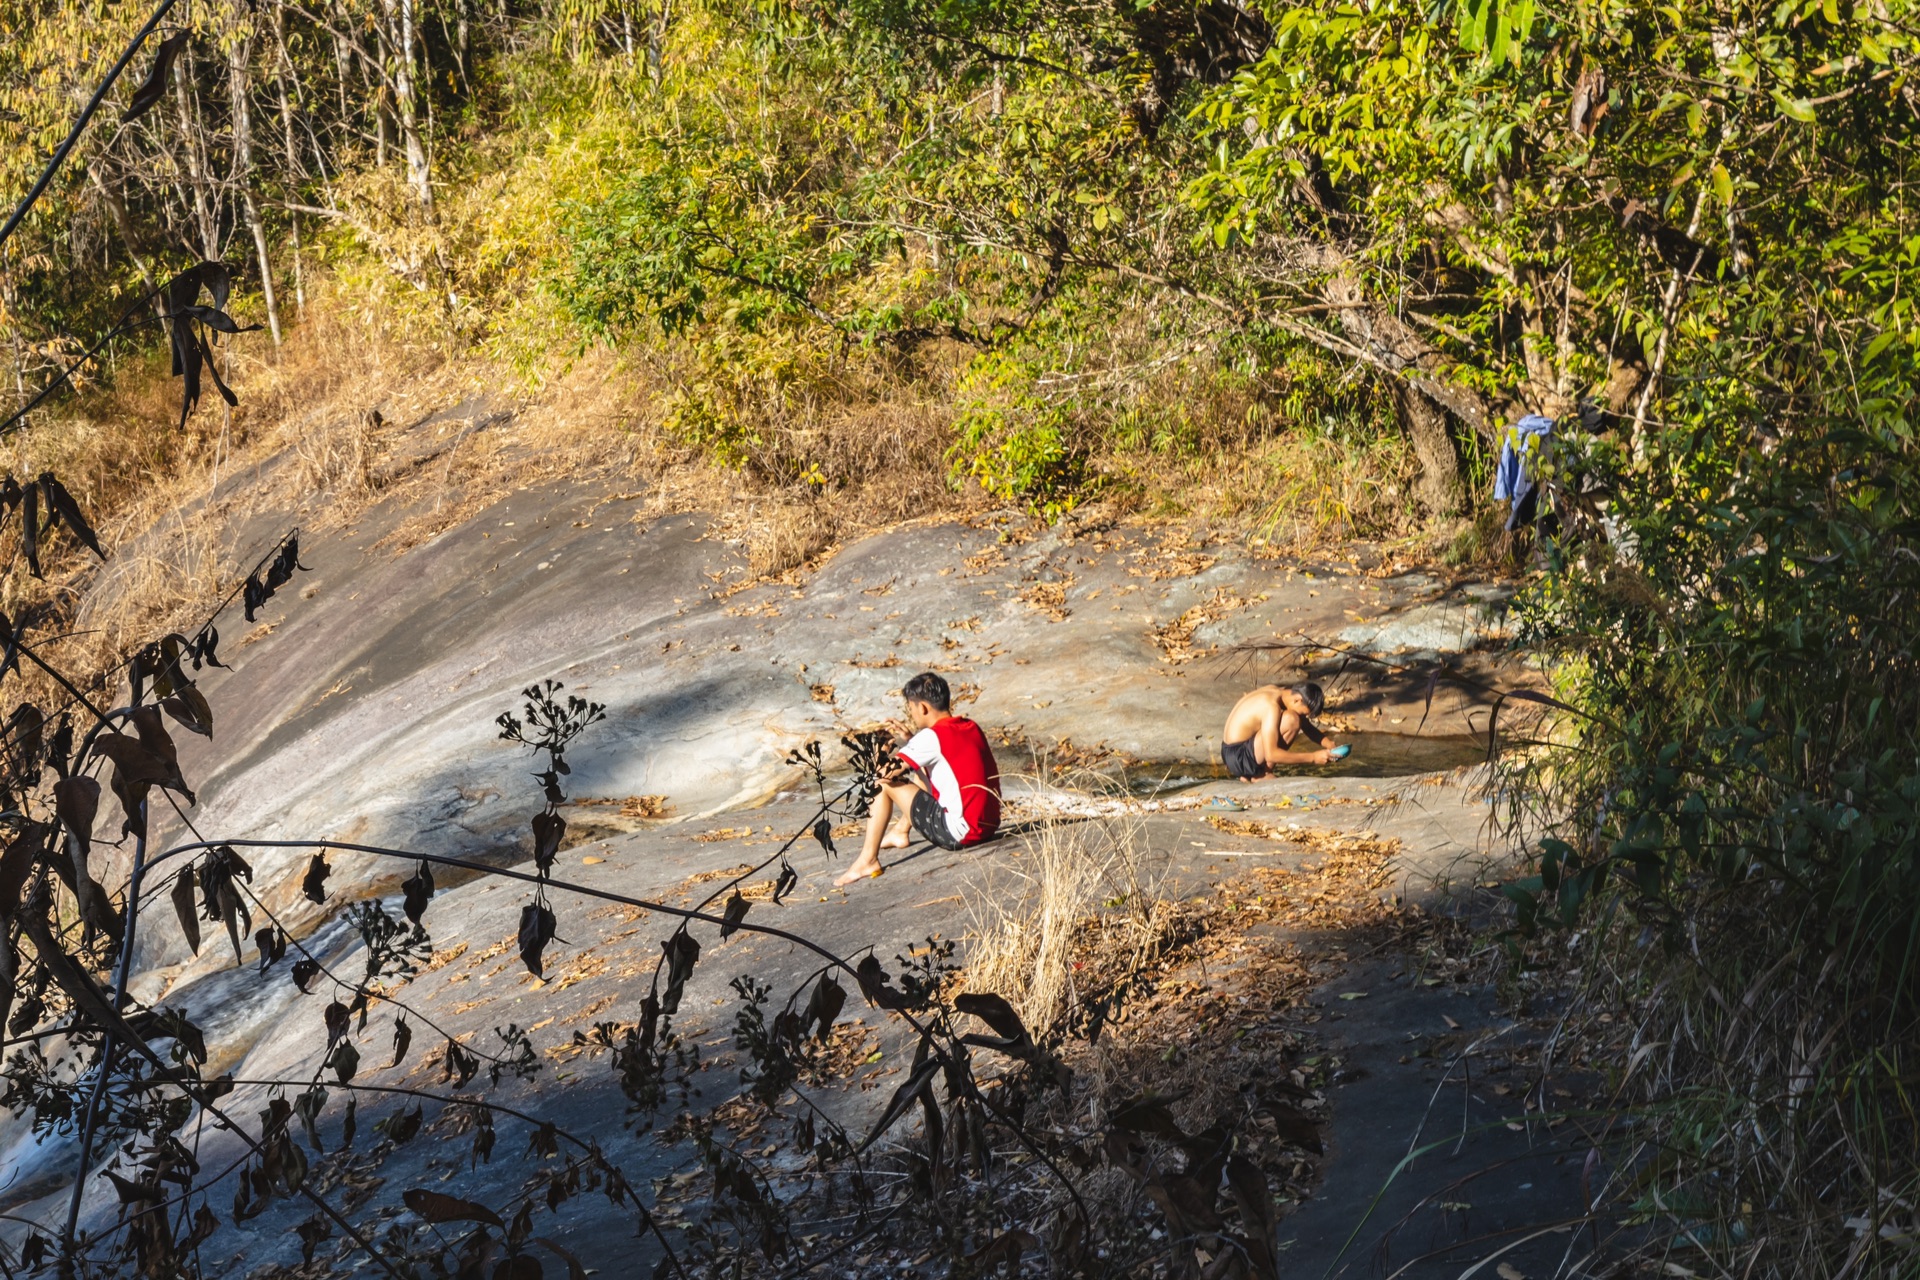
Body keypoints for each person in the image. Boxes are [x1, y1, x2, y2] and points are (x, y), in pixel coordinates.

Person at [834, 672, 1001, 886]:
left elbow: (883, 775)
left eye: (910, 709)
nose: (911, 714)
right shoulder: (970, 726)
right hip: (987, 826)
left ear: (922, 708)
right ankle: (900, 831)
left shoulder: (932, 737)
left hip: (960, 834)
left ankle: (868, 860)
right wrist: (911, 741)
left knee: (881, 786)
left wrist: (880, 752)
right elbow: (940, 759)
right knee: (921, 769)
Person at [1220, 683, 1344, 778]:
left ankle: (1252, 773)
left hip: (1229, 752)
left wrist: (1328, 744)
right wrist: (1313, 757)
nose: (1304, 718)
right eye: (1303, 713)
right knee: (1292, 720)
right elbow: (1271, 754)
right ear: (1297, 700)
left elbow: (1306, 727)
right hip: (1238, 757)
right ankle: (1261, 775)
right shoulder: (1271, 707)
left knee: (1294, 718)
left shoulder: (1277, 691)